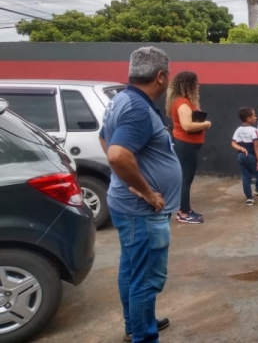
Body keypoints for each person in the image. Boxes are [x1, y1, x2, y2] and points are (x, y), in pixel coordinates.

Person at [99, 46, 176, 343]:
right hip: (142, 211)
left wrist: (127, 179)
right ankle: (144, 336)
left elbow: (104, 138)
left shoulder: (121, 99)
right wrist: (146, 192)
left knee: (131, 269)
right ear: (160, 76)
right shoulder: (138, 109)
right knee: (145, 278)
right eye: (167, 75)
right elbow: (118, 155)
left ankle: (137, 324)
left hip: (126, 205)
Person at [167, 71, 210, 225]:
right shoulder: (182, 103)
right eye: (196, 83)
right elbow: (187, 125)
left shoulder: (184, 101)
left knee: (186, 178)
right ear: (188, 85)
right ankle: (183, 212)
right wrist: (206, 124)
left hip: (189, 145)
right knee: (185, 178)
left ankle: (185, 209)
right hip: (185, 145)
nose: (198, 85)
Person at [231, 107, 258, 206]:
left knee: (246, 178)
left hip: (241, 157)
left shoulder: (238, 129)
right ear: (248, 118)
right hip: (251, 157)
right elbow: (257, 146)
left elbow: (233, 143)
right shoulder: (254, 131)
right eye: (254, 115)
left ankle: (249, 198)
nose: (256, 117)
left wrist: (240, 148)